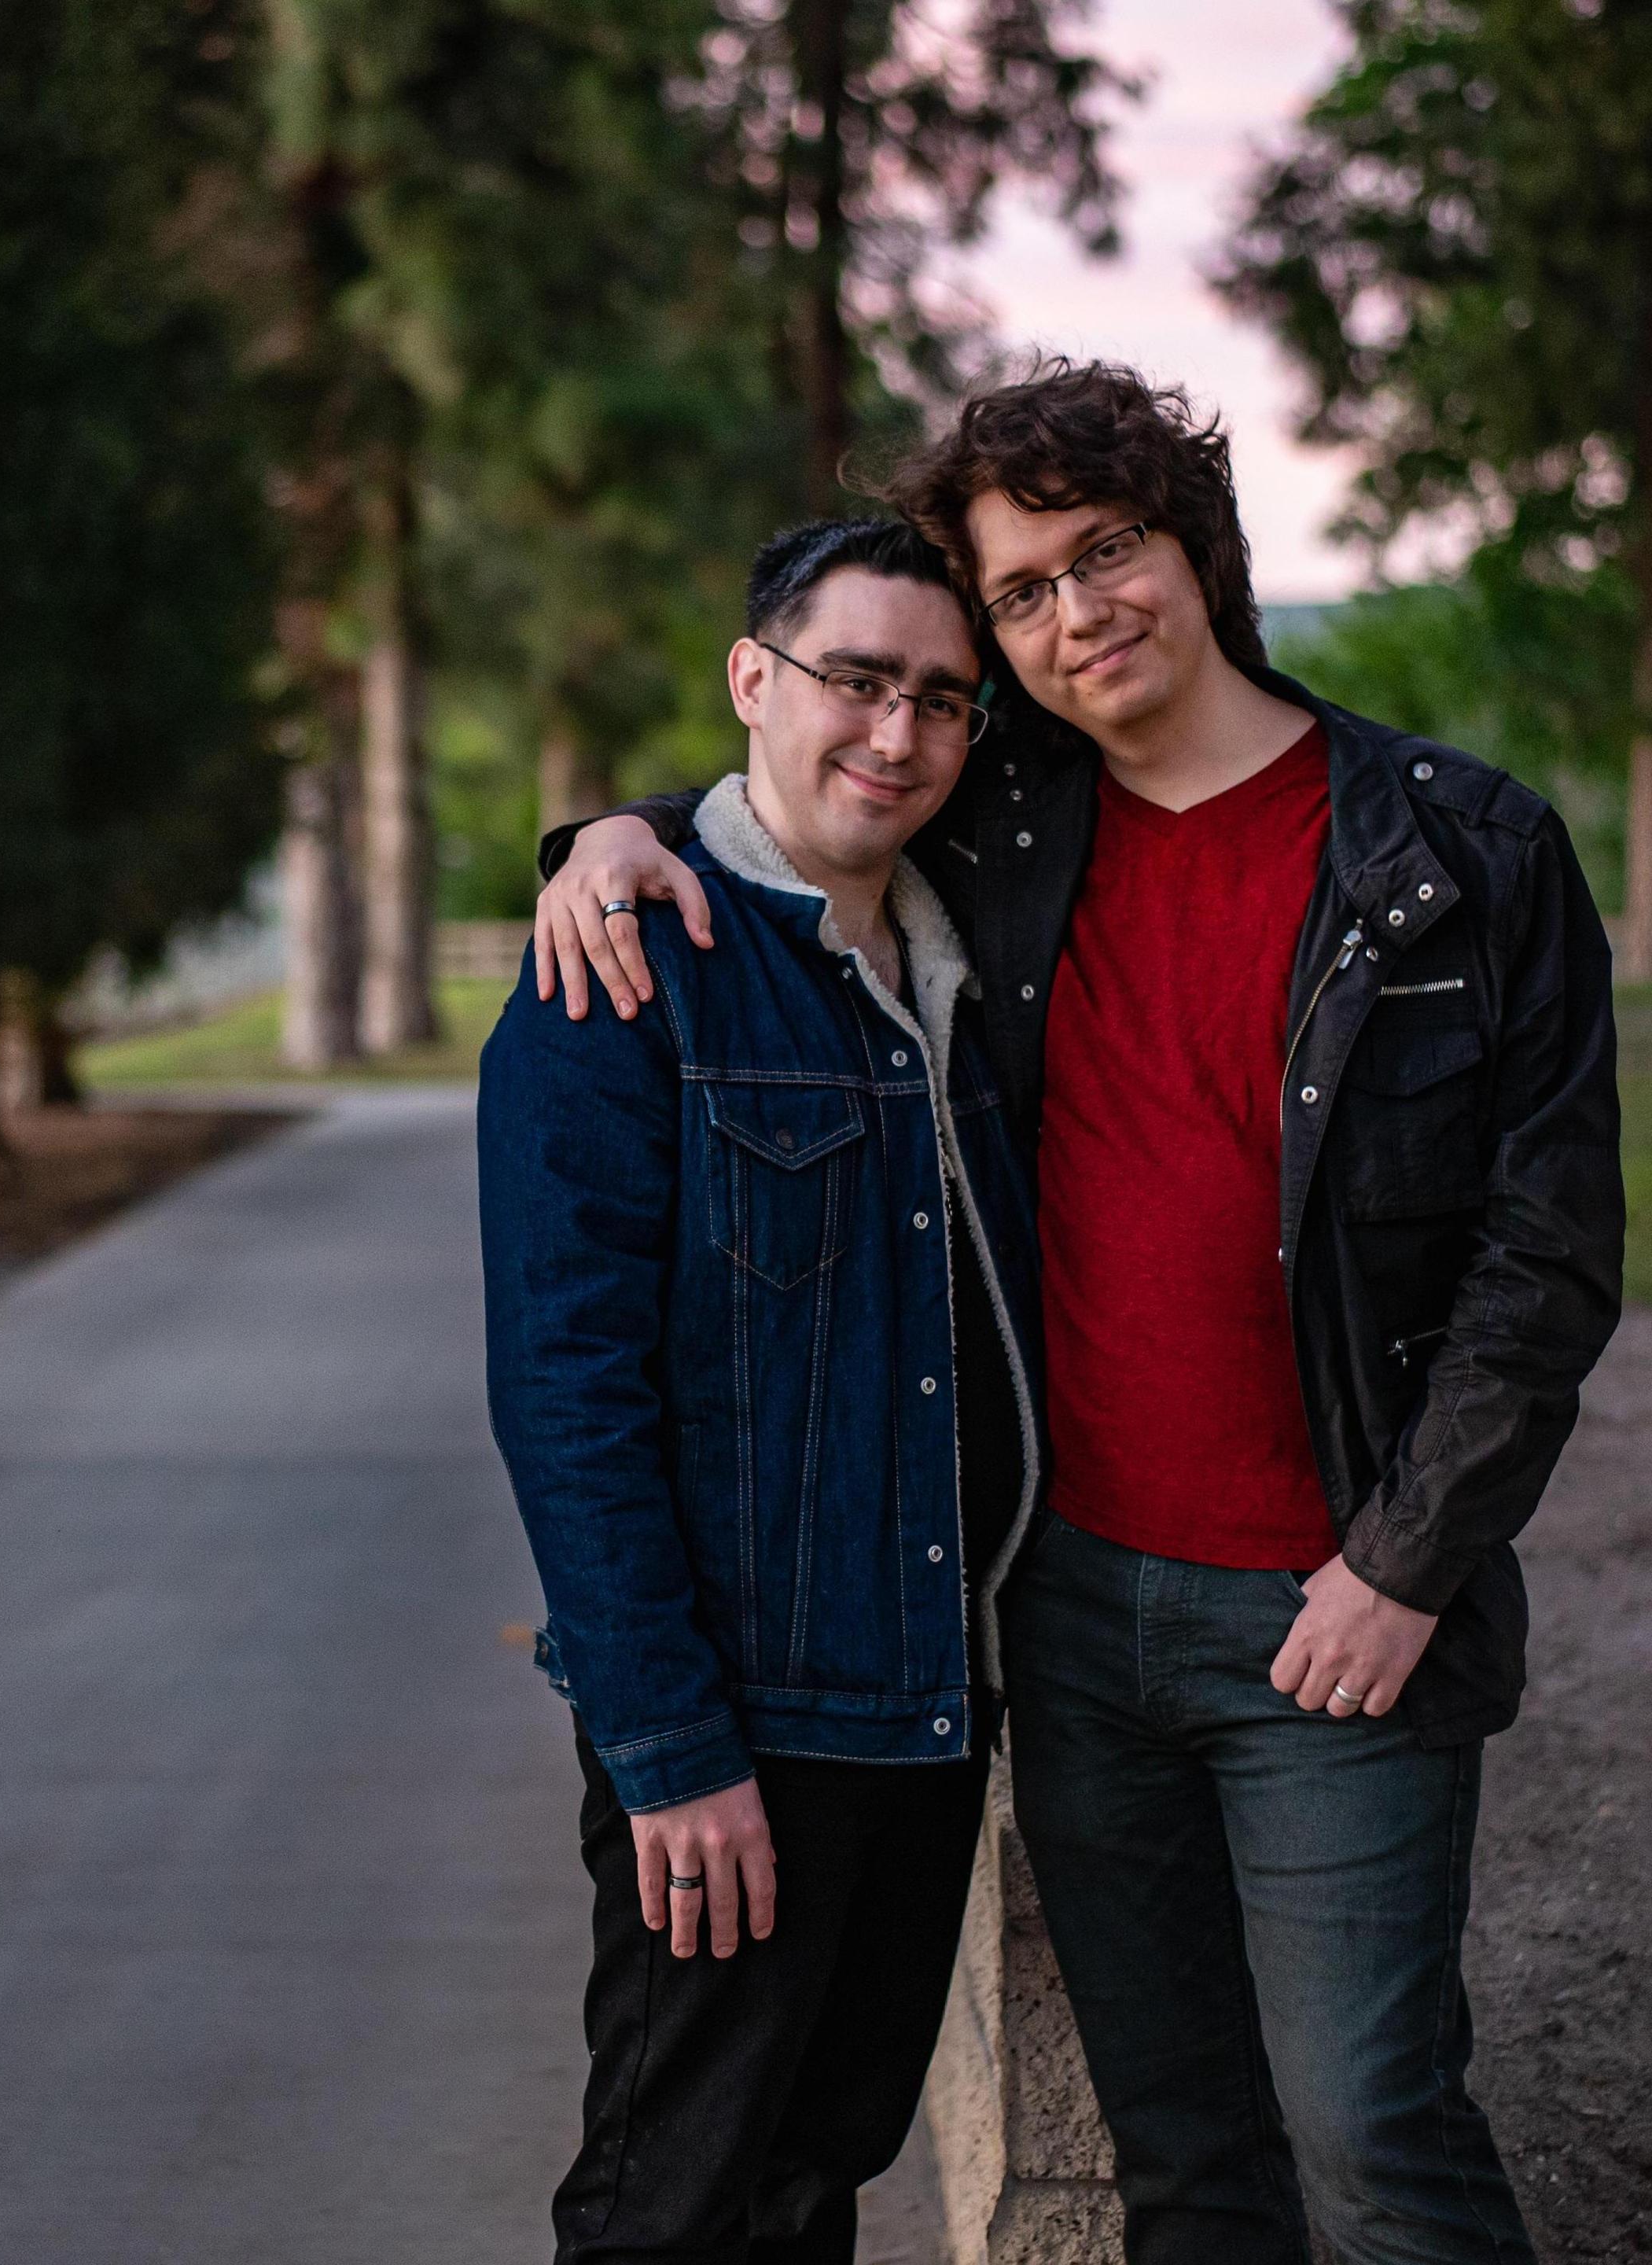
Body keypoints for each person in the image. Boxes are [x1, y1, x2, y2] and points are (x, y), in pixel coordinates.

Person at [532, 362, 1623, 2264]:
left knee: (1375, 2136)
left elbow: (1550, 1254)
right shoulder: (1008, 829)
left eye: (1104, 550)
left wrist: (1410, 1561)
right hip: (1071, 1613)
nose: (1075, 613)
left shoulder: (1459, 852)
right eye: (1020, 593)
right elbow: (803, 790)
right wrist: (607, 841)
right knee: (1180, 2156)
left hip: (1336, 1612)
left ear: (1193, 544)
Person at [479, 517, 1044, 2265]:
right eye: (855, 680)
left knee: (814, 2182)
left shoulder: (959, 969)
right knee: (674, 2201)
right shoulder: (627, 970)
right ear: (752, 679)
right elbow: (568, 1398)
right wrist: (670, 1753)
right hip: (744, 1728)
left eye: (941, 700)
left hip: (930, 1701)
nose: (897, 732)